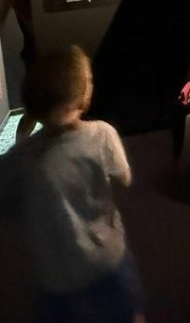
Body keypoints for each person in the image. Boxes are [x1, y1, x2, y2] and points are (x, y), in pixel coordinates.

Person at [0, 44, 145, 322]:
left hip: (55, 271)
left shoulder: (21, 157)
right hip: (106, 257)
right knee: (126, 311)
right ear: (80, 96)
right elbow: (124, 179)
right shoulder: (103, 135)